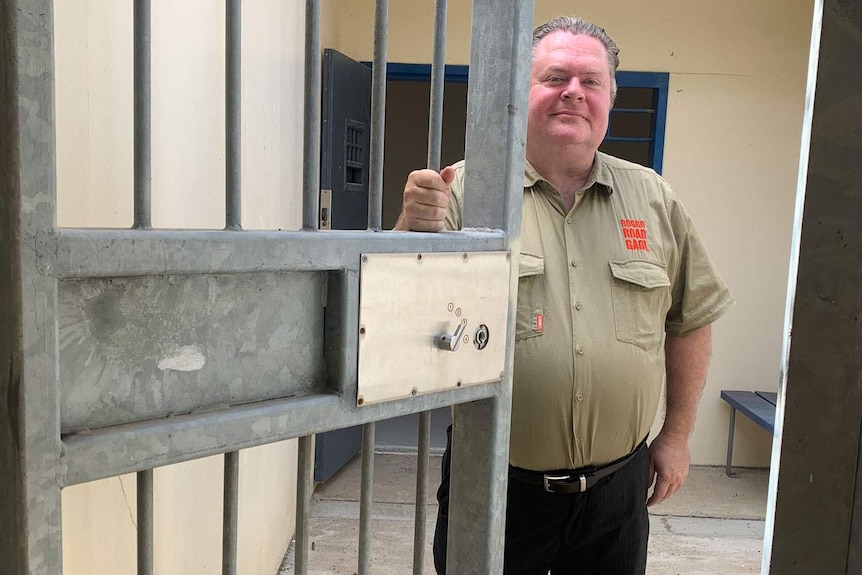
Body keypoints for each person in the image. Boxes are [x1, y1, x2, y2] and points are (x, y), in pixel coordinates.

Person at [395, 15, 734, 575]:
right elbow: (400, 312)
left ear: (608, 100)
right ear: (522, 91)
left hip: (617, 493)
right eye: (555, 77)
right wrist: (410, 227)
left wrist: (676, 435)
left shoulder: (653, 198)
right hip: (497, 484)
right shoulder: (466, 190)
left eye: (590, 81)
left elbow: (691, 317)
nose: (573, 92)